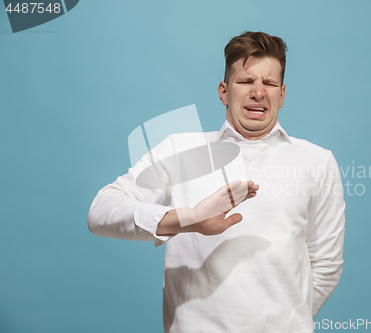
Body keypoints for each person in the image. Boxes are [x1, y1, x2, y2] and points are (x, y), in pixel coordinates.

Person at [88, 31, 345, 333]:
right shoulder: (179, 151)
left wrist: (287, 320)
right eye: (246, 81)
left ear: (282, 94)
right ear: (224, 91)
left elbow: (326, 265)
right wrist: (189, 219)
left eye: (269, 83)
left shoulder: (317, 161)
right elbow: (101, 212)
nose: (258, 92)